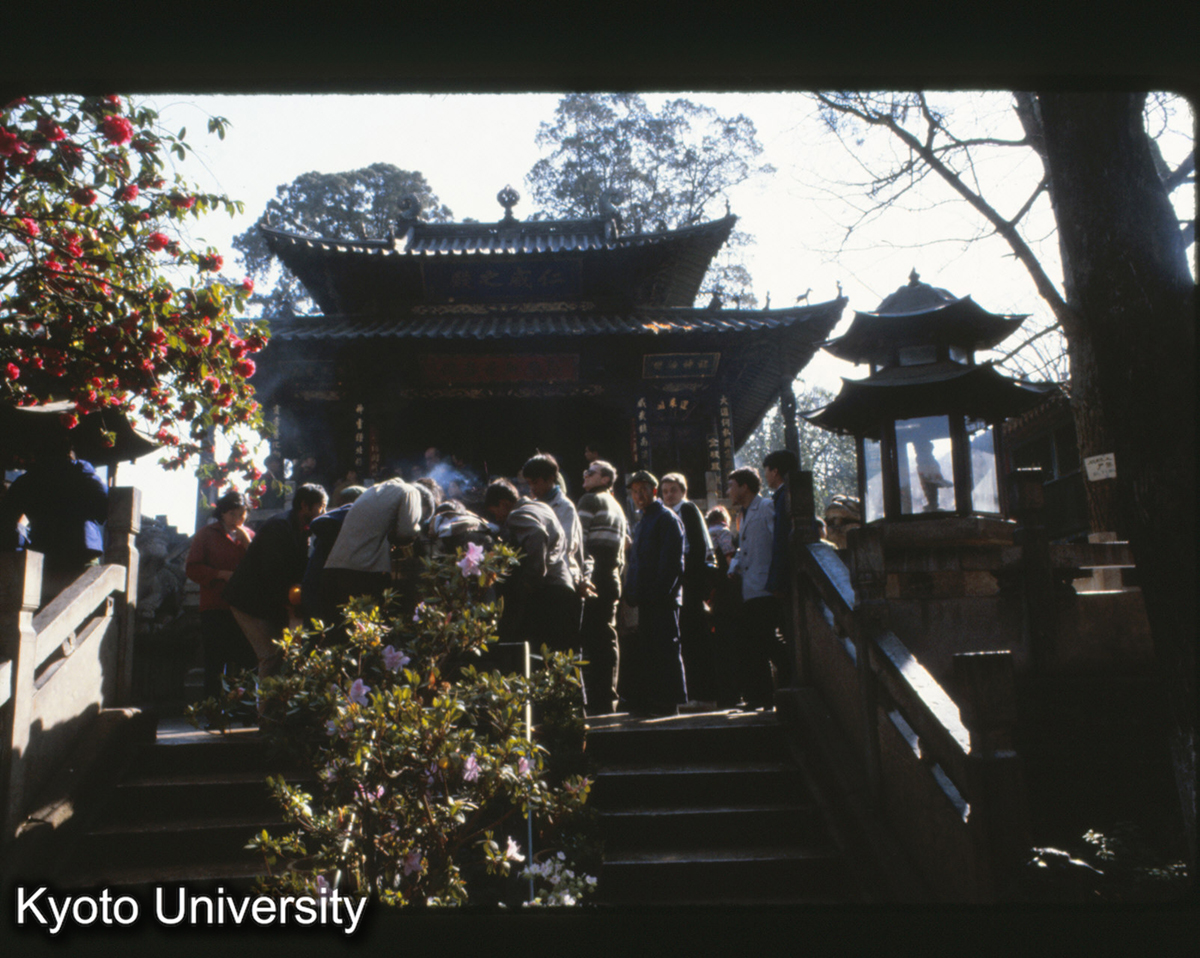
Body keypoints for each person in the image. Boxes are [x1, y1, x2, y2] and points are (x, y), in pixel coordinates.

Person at [224, 484, 327, 691]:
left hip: (268, 601)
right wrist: (290, 605)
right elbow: (272, 573)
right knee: (270, 656)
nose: (323, 513)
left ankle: (274, 712)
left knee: (282, 655)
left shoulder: (302, 529)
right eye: (321, 507)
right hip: (248, 600)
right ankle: (268, 717)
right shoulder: (279, 527)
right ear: (305, 506)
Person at [0, 432, 108, 604]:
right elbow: (103, 508)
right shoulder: (83, 473)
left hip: (44, 549)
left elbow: (7, 521)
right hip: (82, 549)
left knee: (44, 606)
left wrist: (20, 547)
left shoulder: (26, 481)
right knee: (83, 604)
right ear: (70, 452)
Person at [482, 478, 576, 652]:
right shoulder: (541, 506)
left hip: (549, 591)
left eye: (495, 513)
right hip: (564, 586)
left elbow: (537, 534)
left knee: (543, 654)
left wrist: (528, 581)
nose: (498, 518)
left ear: (504, 504)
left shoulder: (516, 514)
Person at [621, 471, 687, 717]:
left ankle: (670, 702)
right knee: (649, 650)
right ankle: (654, 699)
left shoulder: (667, 519)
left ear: (654, 491)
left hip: (663, 598)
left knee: (666, 649)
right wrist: (632, 592)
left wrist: (660, 593)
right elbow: (637, 562)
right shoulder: (642, 522)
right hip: (646, 599)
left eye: (644, 490)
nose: (639, 495)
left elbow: (672, 563)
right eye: (635, 491)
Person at [186, 490, 257, 698]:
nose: (238, 519)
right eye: (233, 514)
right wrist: (219, 574)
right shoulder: (206, 535)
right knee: (215, 661)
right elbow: (192, 568)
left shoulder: (250, 536)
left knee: (247, 659)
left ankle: (245, 710)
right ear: (223, 513)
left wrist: (247, 544)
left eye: (242, 514)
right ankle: (213, 711)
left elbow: (260, 568)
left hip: (243, 606)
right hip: (215, 606)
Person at [322, 475, 427, 611]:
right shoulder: (409, 491)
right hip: (364, 571)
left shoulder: (370, 491)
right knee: (369, 624)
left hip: (335, 567)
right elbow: (406, 531)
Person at [659, 472, 717, 708]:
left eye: (673, 490)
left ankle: (703, 696)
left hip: (689, 583)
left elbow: (699, 547)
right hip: (676, 584)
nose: (669, 495)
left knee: (694, 639)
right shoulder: (666, 514)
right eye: (664, 491)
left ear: (683, 491)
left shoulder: (688, 510)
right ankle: (690, 694)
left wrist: (687, 578)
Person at [522, 453, 590, 648]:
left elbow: (563, 546)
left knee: (562, 648)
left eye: (536, 482)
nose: (532, 488)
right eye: (529, 483)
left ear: (551, 479)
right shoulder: (533, 504)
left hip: (561, 585)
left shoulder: (565, 507)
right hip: (542, 585)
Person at [576, 459, 628, 714]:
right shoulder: (618, 506)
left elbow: (579, 542)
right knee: (607, 637)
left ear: (606, 479)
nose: (585, 474)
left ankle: (592, 701)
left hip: (594, 574)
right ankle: (607, 698)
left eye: (592, 472)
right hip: (613, 576)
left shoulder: (589, 501)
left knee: (589, 639)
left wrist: (581, 577)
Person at [726, 467, 777, 711]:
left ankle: (767, 696)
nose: (729, 491)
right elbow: (741, 548)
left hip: (764, 586)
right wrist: (733, 567)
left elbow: (777, 540)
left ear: (744, 487)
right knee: (753, 644)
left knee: (764, 642)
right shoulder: (742, 515)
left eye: (732, 486)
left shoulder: (765, 507)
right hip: (749, 588)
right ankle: (759, 697)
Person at [299, 483, 365, 628]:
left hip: (321, 588)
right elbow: (317, 524)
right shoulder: (346, 516)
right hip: (320, 589)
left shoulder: (339, 524)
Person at [762, 449, 799, 687]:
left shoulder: (783, 497)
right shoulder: (787, 494)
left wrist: (776, 580)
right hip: (788, 575)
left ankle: (790, 679)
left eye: (766, 471)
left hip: (786, 578)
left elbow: (780, 544)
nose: (765, 476)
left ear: (775, 471)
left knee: (786, 632)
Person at [706, 504, 742, 709]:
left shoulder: (706, 533)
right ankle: (732, 694)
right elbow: (730, 560)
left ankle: (719, 693)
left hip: (710, 594)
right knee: (730, 643)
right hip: (726, 594)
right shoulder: (724, 532)